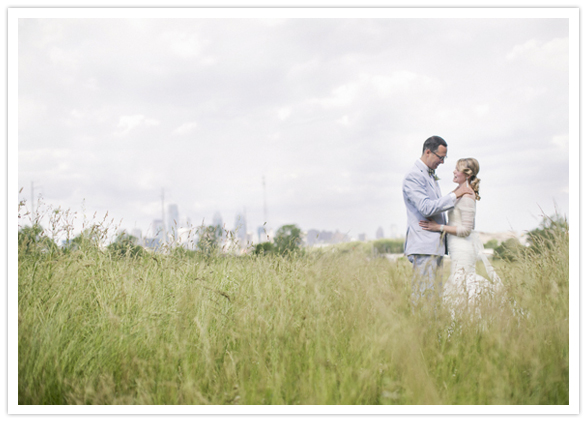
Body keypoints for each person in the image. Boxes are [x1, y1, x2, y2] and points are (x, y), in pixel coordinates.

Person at [419, 158, 501, 307]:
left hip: (463, 247)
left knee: (462, 281)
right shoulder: (458, 192)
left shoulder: (468, 196)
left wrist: (439, 227)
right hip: (456, 247)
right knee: (459, 282)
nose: (454, 171)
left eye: (457, 169)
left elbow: (466, 230)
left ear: (467, 174)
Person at [402, 136, 474, 305]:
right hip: (425, 244)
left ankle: (431, 330)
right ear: (428, 152)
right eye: (440, 157)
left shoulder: (429, 175)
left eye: (444, 158)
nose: (442, 162)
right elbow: (426, 208)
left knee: (434, 298)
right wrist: (455, 194)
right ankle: (421, 331)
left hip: (435, 246)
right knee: (423, 298)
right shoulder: (413, 176)